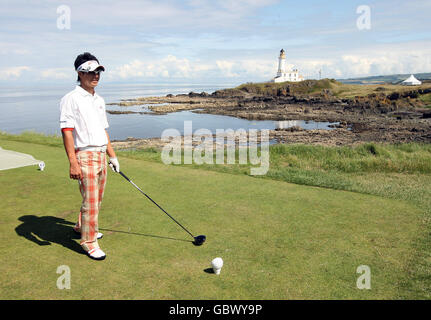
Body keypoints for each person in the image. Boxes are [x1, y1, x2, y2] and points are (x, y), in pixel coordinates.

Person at [59, 52, 120, 260]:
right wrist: (73, 162)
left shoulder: (99, 100)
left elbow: (103, 130)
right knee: (91, 202)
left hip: (101, 154)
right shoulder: (71, 98)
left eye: (98, 72)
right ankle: (88, 241)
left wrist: (112, 156)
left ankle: (81, 226)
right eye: (91, 72)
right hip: (85, 155)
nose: (96, 76)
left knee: (96, 199)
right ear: (79, 73)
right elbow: (67, 131)